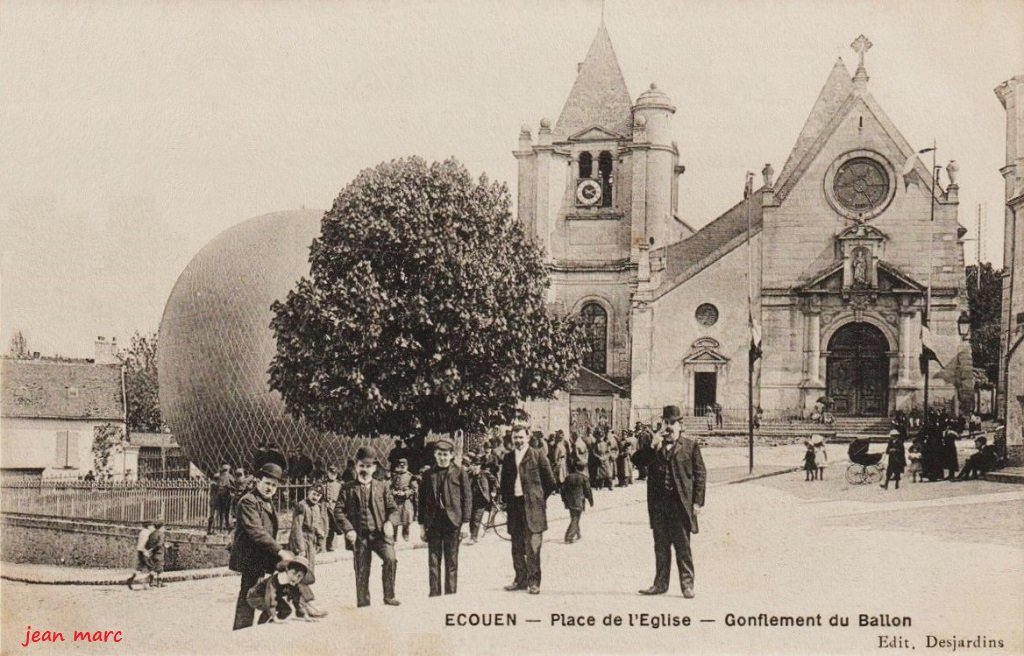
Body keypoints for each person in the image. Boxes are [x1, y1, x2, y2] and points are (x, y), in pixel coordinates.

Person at [633, 405, 706, 599]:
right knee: (661, 548)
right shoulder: (655, 447)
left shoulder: (690, 446)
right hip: (659, 508)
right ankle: (660, 584)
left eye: (673, 423)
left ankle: (687, 586)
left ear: (680, 425)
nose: (669, 427)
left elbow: (700, 474)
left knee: (683, 548)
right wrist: (652, 446)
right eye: (666, 422)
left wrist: (698, 502)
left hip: (680, 506)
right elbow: (637, 461)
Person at [229, 463, 294, 630]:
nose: (270, 488)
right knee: (248, 596)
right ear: (258, 480)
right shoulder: (248, 501)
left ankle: (261, 626)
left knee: (270, 591)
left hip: (263, 557)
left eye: (274, 485)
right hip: (250, 557)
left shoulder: (267, 502)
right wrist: (279, 550)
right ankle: (242, 633)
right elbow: (256, 531)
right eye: (267, 483)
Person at [334, 447, 400, 607]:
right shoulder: (347, 488)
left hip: (379, 535)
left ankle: (389, 596)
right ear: (356, 467)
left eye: (368, 466)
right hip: (359, 536)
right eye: (362, 466)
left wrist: (390, 522)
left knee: (391, 559)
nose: (365, 469)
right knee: (362, 568)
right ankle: (363, 601)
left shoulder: (382, 486)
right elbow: (338, 511)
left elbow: (393, 509)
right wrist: (348, 529)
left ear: (374, 468)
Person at [500, 412, 556, 595]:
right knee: (516, 546)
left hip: (533, 508)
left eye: (521, 437)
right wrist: (506, 501)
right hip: (514, 507)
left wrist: (537, 498)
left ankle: (534, 582)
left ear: (528, 437)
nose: (518, 440)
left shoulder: (538, 455)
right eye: (515, 437)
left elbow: (550, 482)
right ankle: (520, 579)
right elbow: (504, 484)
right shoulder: (508, 458)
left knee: (533, 547)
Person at [418, 439, 472, 597]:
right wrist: (421, 525)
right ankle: (434, 595)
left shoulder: (460, 471)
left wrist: (466, 523)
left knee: (452, 561)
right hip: (434, 522)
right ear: (435, 455)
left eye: (446, 455)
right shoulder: (428, 474)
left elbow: (467, 498)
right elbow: (421, 501)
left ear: (452, 455)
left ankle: (450, 595)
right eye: (439, 454)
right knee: (434, 561)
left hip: (453, 522)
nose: (442, 458)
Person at [287, 485, 328, 618]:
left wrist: (320, 538)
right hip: (301, 541)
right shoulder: (301, 506)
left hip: (311, 542)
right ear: (309, 493)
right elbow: (297, 527)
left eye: (318, 495)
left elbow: (316, 525)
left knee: (308, 573)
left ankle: (299, 606)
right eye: (314, 494)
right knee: (300, 574)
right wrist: (301, 549)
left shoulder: (317, 507)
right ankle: (304, 606)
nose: (316, 497)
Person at [246, 556, 316, 623]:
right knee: (270, 606)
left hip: (270, 597)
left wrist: (305, 615)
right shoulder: (276, 579)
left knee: (286, 610)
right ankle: (263, 624)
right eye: (293, 573)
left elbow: (297, 599)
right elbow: (270, 597)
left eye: (299, 576)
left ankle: (271, 624)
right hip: (255, 596)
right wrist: (274, 616)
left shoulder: (294, 584)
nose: (295, 578)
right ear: (287, 570)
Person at [560, 461, 593, 543]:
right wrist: (590, 500)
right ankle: (569, 537)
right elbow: (588, 491)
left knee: (574, 517)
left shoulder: (568, 477)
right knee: (575, 519)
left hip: (570, 501)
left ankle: (577, 533)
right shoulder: (584, 478)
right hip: (579, 501)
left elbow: (562, 490)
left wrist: (564, 500)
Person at [467, 457, 496, 544]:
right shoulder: (469, 474)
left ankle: (473, 537)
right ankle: (473, 535)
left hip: (482, 500)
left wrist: (493, 491)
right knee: (471, 519)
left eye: (477, 465)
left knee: (476, 519)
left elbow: (494, 481)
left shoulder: (485, 474)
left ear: (480, 466)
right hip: (472, 500)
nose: (475, 467)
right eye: (473, 465)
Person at [389, 458, 417, 542]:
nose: (401, 467)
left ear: (407, 466)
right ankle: (394, 537)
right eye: (400, 465)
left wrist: (405, 493)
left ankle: (405, 533)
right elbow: (390, 487)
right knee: (394, 519)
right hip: (396, 501)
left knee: (406, 518)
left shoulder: (410, 476)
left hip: (406, 501)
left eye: (403, 466)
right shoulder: (394, 476)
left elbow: (414, 489)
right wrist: (393, 492)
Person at [127, 519, 155, 591]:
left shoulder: (142, 532)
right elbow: (144, 543)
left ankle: (130, 580)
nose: (153, 527)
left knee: (140, 568)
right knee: (152, 567)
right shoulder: (147, 533)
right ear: (148, 526)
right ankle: (149, 584)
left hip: (140, 550)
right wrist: (146, 551)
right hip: (144, 551)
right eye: (151, 525)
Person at [323, 466, 343, 551]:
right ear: (328, 473)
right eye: (331, 473)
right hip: (325, 506)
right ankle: (322, 546)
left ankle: (330, 545)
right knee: (324, 525)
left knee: (333, 526)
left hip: (334, 507)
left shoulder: (339, 485)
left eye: (334, 474)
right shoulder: (324, 484)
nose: (332, 476)